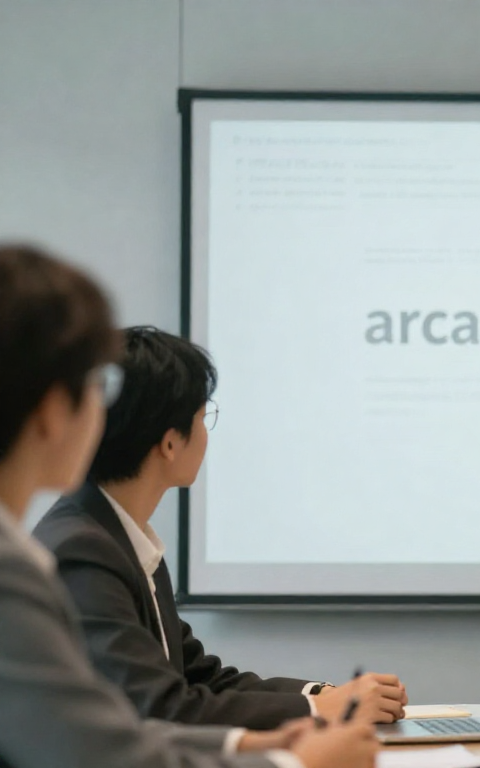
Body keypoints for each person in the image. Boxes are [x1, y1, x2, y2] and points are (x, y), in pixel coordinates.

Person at [0, 243, 377, 768]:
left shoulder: (118, 540)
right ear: (52, 409)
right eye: (94, 387)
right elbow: (110, 741)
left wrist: (257, 740)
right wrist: (296, 761)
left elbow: (184, 684)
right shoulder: (64, 553)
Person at [31, 326, 408, 730]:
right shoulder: (83, 551)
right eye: (202, 417)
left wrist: (323, 696)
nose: (206, 433)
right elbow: (160, 706)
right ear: (170, 443)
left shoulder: (121, 539)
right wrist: (320, 712)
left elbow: (201, 677)